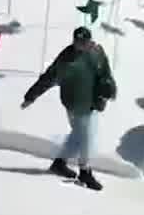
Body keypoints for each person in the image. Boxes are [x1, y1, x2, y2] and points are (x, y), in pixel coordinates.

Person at [21, 26, 116, 191]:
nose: (81, 45)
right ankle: (85, 173)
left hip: (92, 103)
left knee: (79, 136)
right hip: (74, 105)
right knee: (86, 138)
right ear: (73, 41)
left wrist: (109, 89)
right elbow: (48, 78)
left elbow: (105, 72)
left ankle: (59, 163)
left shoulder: (97, 51)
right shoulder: (66, 60)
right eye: (78, 42)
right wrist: (31, 96)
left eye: (84, 42)